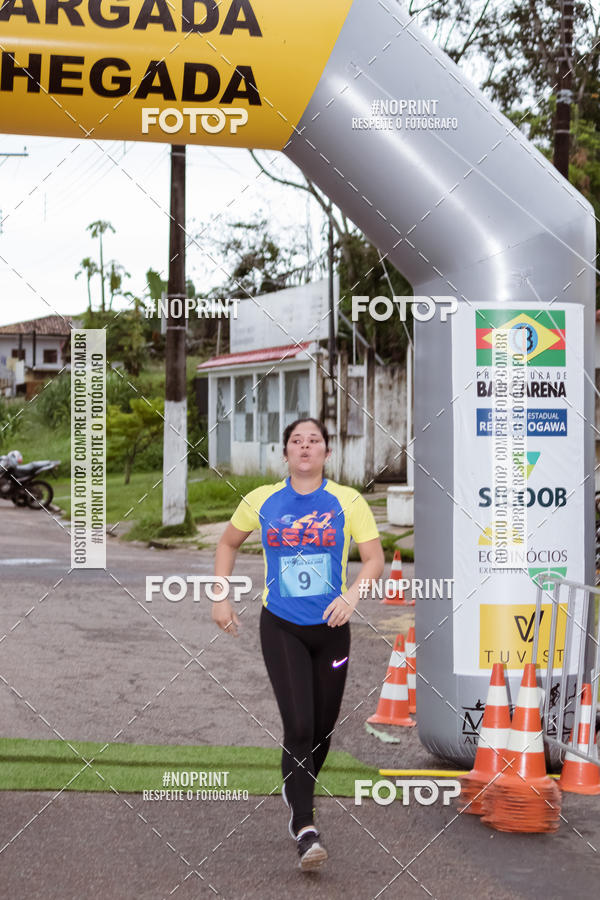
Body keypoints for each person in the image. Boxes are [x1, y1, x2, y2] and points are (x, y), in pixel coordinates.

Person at [212, 417, 384, 871]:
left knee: (323, 732)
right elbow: (227, 544)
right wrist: (221, 597)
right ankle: (305, 828)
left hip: (332, 630)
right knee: (300, 725)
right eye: (296, 441)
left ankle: (296, 785)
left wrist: (353, 595)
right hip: (282, 625)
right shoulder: (262, 499)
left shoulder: (349, 501)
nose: (305, 447)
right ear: (285, 453)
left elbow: (374, 559)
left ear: (327, 453)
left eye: (314, 441)